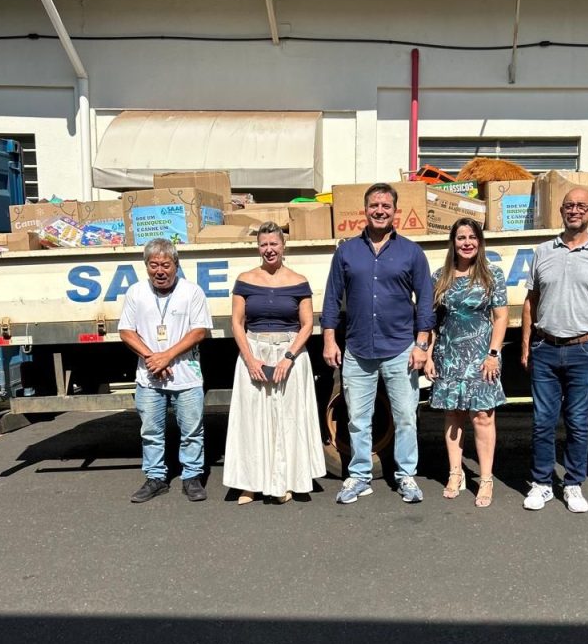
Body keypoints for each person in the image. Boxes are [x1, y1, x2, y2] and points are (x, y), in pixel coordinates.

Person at [321, 183, 435, 505]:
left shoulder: (411, 252)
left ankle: (406, 475)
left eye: (386, 206)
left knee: (406, 416)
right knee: (357, 419)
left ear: (395, 211)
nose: (380, 211)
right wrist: (329, 339)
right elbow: (331, 299)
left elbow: (425, 301)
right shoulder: (346, 252)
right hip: (358, 350)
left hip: (400, 348)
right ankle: (359, 477)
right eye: (374, 205)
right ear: (365, 209)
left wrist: (421, 345)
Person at [521, 188, 588, 513]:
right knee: (542, 421)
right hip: (546, 348)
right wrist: (526, 344)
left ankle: (573, 484)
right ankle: (541, 483)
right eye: (569, 205)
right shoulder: (542, 251)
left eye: (581, 206)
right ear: (562, 211)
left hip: (586, 349)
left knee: (578, 422)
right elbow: (531, 301)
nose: (574, 210)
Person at [222, 222, 325, 504]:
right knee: (252, 419)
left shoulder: (298, 280)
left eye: (273, 244)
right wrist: (250, 359)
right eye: (264, 244)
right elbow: (237, 323)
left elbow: (307, 324)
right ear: (258, 247)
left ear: (283, 246)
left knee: (289, 418)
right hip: (254, 351)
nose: (269, 249)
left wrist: (288, 357)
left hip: (290, 354)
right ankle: (250, 484)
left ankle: (289, 480)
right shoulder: (245, 279)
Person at [119, 238, 213, 503]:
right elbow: (126, 331)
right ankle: (155, 477)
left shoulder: (192, 292)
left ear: (176, 265)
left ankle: (192, 476)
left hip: (186, 375)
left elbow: (199, 331)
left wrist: (167, 356)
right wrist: (152, 358)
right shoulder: (136, 292)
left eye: (165, 265)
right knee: (150, 431)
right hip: (149, 377)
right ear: (146, 266)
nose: (159, 271)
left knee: (192, 430)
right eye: (153, 265)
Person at [424, 218, 509, 508]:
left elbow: (501, 317)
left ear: (480, 242)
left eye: (472, 237)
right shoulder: (440, 277)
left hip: (482, 357)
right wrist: (429, 355)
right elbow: (433, 321)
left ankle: (485, 479)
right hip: (449, 356)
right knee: (454, 415)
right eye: (461, 237)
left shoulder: (492, 275)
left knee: (483, 416)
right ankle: (455, 473)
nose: (467, 243)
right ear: (453, 242)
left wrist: (493, 354)